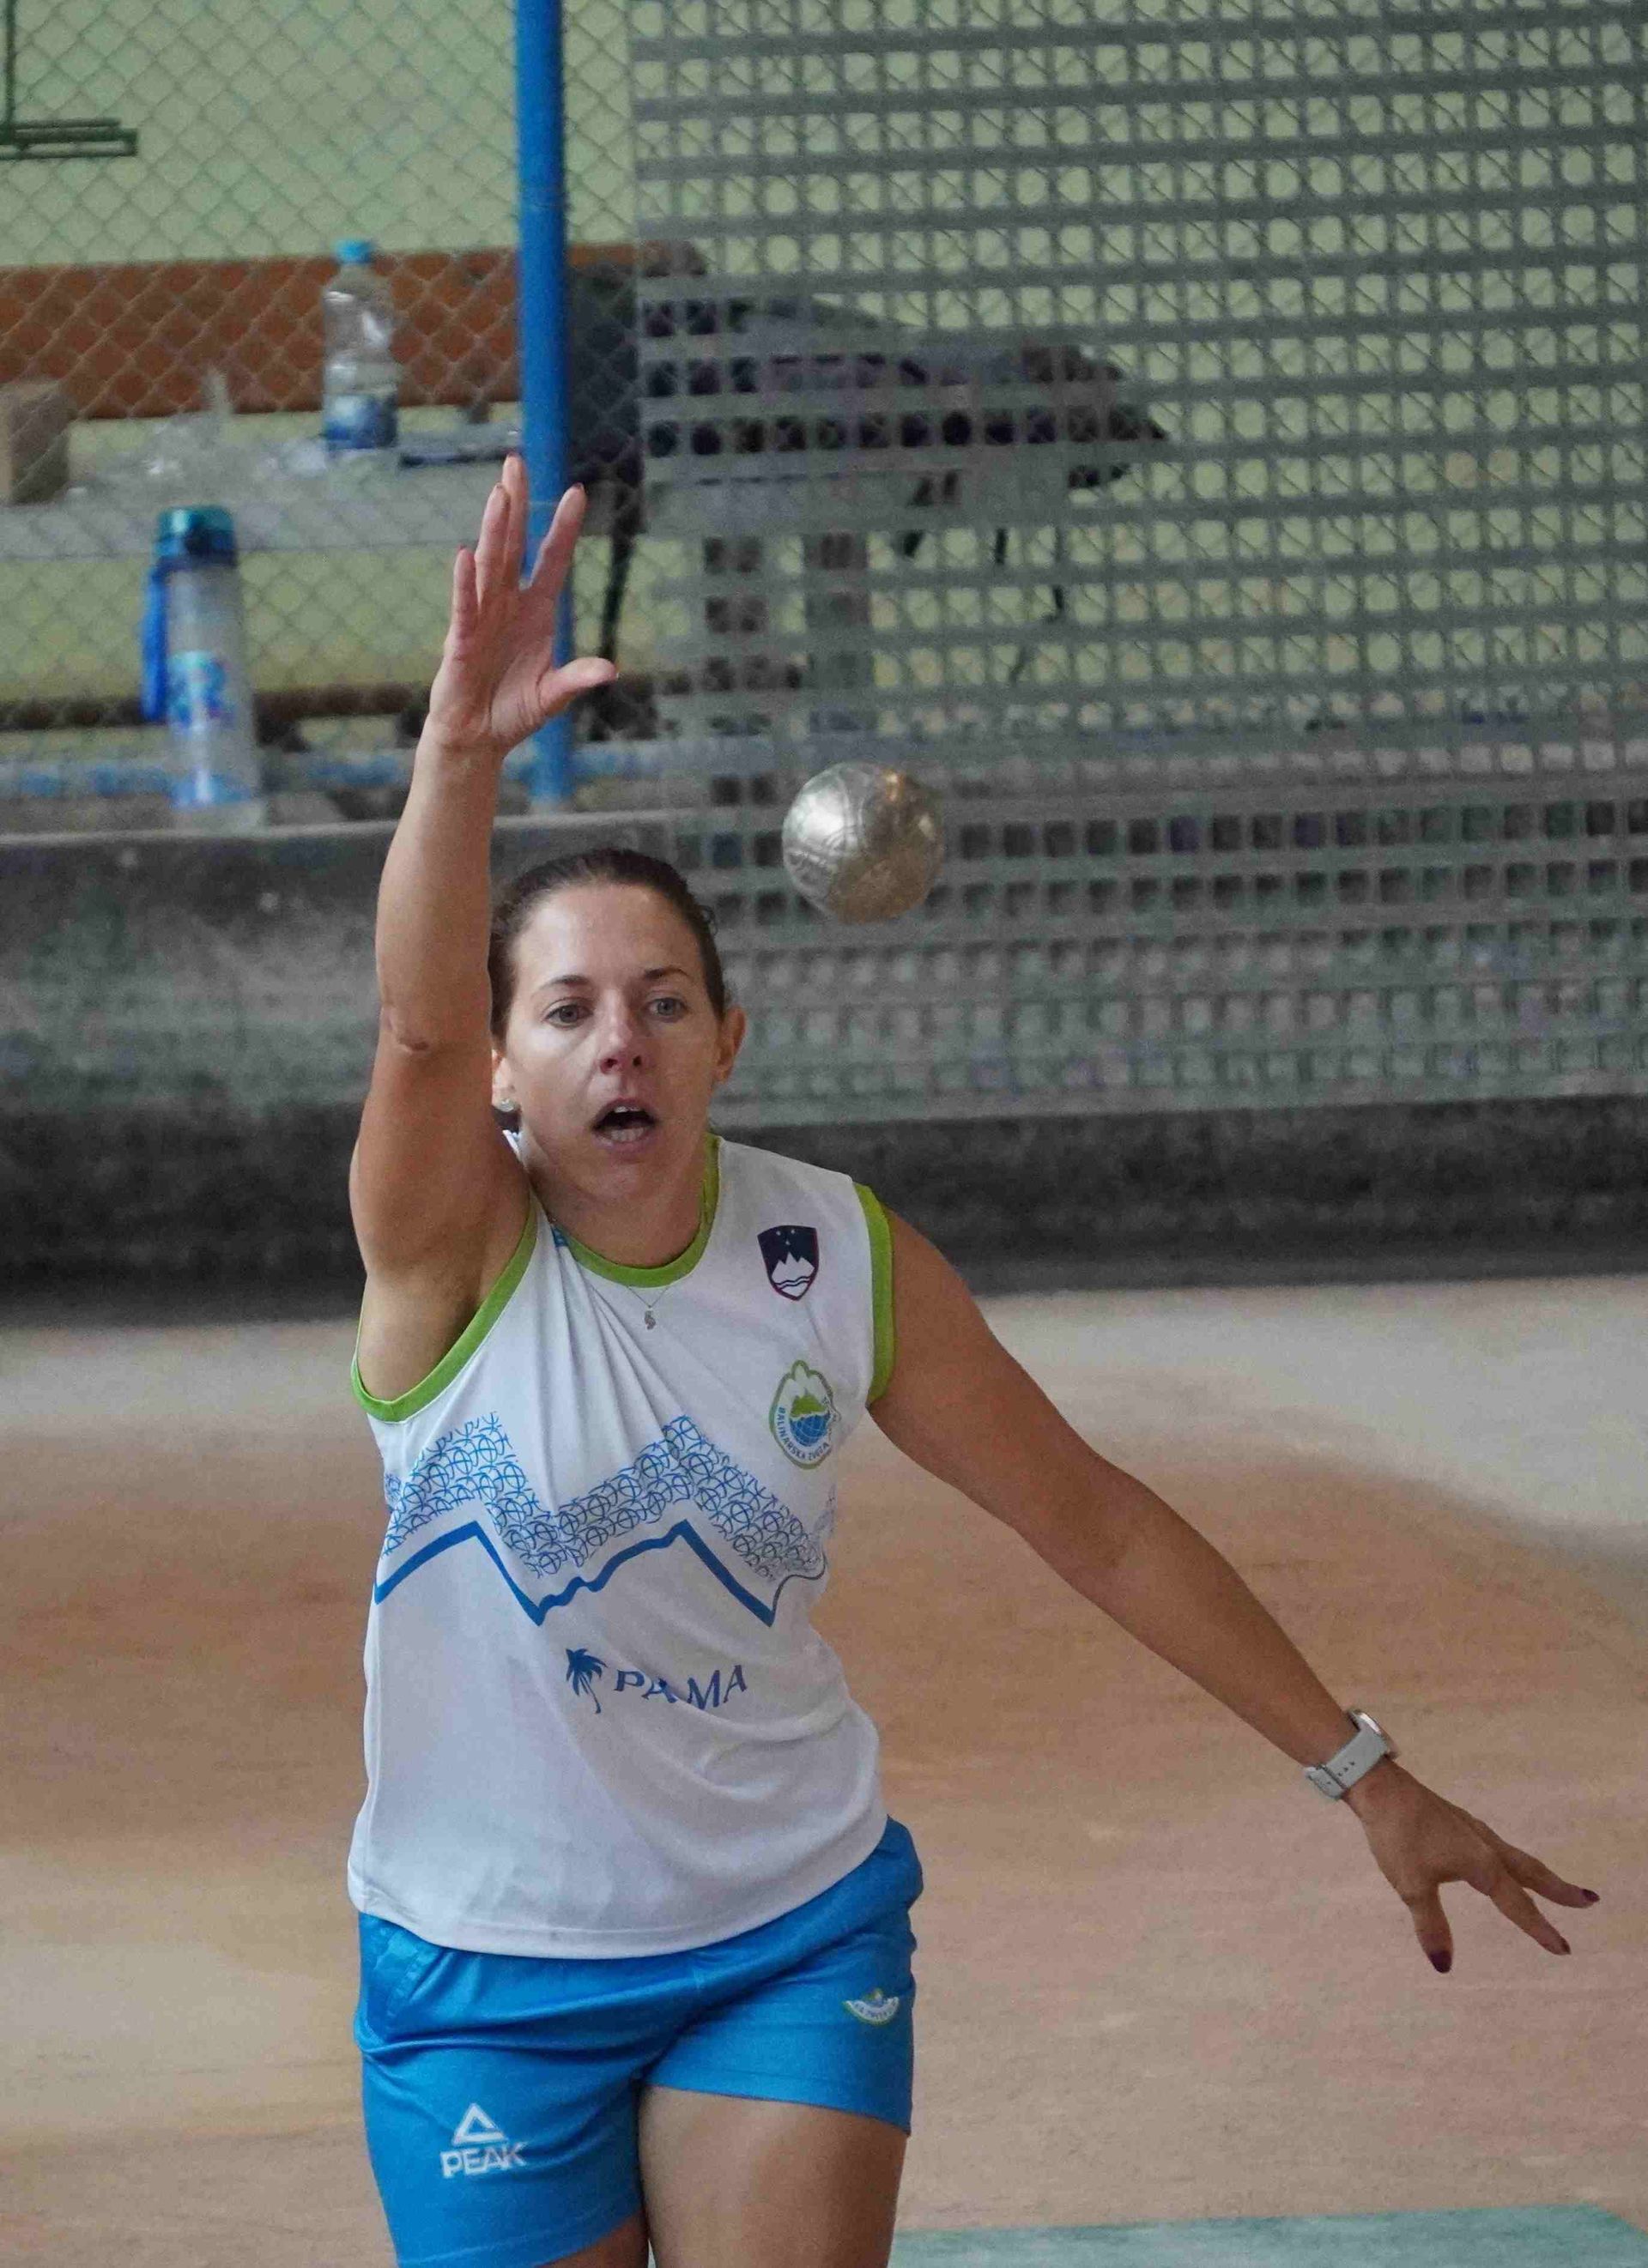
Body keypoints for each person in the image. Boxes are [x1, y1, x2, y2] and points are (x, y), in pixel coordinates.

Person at [345, 457, 1601, 2268]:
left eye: (665, 1000)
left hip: (784, 1924)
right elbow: (406, 1024)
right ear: (499, 1066)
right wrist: (459, 752)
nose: (621, 1039)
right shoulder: (448, 1254)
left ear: (726, 1042)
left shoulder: (831, 1252)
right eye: (567, 1008)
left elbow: (1095, 1521)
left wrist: (1366, 1773)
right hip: (486, 1957)